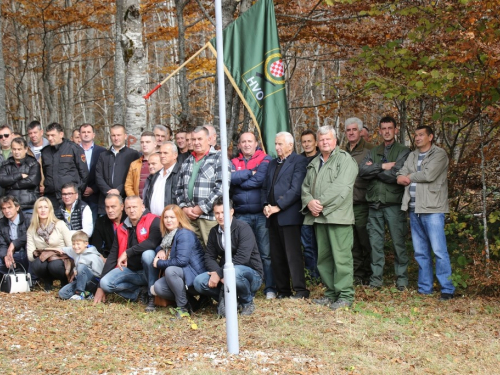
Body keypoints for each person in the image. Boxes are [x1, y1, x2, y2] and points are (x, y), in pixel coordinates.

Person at [302, 126, 358, 310]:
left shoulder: (345, 160)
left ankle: (345, 296)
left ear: (335, 141)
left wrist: (320, 205)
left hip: (338, 218)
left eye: (328, 139)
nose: (325, 142)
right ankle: (331, 293)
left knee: (341, 258)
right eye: (322, 139)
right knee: (324, 259)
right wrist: (310, 202)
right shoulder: (314, 163)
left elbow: (342, 187)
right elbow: (305, 187)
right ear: (317, 143)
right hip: (319, 218)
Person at [397, 126, 455, 300]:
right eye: (415, 135)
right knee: (420, 251)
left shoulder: (439, 154)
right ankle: (425, 288)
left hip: (433, 209)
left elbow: (429, 175)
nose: (417, 138)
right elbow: (401, 172)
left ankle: (447, 289)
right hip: (414, 208)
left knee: (439, 250)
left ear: (430, 136)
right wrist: (401, 176)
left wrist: (409, 176)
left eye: (421, 135)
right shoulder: (413, 155)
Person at [358, 116, 410, 290]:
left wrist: (376, 169)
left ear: (395, 130)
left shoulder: (404, 151)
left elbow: (398, 174)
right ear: (379, 131)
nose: (387, 131)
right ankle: (376, 280)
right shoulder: (373, 151)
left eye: (390, 128)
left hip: (393, 204)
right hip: (374, 205)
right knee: (375, 244)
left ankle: (401, 279)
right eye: (383, 128)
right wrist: (383, 166)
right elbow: (362, 171)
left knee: (398, 243)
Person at [194, 198, 263, 316]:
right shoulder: (214, 231)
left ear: (231, 212)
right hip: (226, 275)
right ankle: (232, 300)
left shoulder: (243, 228)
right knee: (199, 282)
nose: (220, 216)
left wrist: (220, 273)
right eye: (217, 213)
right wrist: (217, 274)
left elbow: (243, 258)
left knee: (234, 273)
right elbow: (209, 256)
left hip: (251, 275)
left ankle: (247, 302)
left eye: (224, 212)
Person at [262, 132, 309, 299]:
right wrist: (265, 206)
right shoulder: (273, 163)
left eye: (280, 144)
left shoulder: (299, 161)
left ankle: (300, 290)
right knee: (276, 255)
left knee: (292, 255)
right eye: (276, 144)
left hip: (289, 216)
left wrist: (278, 206)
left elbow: (296, 190)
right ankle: (283, 290)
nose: (276, 147)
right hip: (272, 217)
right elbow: (266, 187)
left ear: (290, 145)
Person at [93, 196, 161, 312]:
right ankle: (138, 292)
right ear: (124, 209)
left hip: (150, 271)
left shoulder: (154, 220)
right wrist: (100, 287)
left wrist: (128, 252)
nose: (132, 210)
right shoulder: (121, 228)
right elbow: (113, 256)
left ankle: (151, 296)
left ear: (142, 207)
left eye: (135, 207)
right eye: (129, 207)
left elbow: (152, 243)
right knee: (105, 283)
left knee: (148, 254)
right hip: (131, 271)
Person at [231, 132, 276, 299]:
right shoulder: (233, 161)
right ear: (239, 145)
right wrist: (251, 173)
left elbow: (261, 181)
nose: (247, 144)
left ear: (256, 143)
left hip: (260, 214)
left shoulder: (265, 159)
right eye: (243, 141)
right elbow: (229, 179)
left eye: (250, 141)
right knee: (244, 252)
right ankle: (247, 286)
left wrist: (240, 179)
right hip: (241, 215)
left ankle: (270, 287)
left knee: (265, 253)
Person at [176, 126, 229, 246]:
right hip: (189, 218)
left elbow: (222, 188)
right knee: (194, 252)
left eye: (200, 139)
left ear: (209, 139)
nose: (196, 142)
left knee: (213, 252)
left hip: (209, 217)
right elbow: (178, 189)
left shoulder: (219, 158)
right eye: (193, 139)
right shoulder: (187, 161)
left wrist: (202, 208)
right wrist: (184, 208)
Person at [152, 205, 206, 318]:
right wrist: (161, 250)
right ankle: (191, 303)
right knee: (159, 287)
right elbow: (162, 246)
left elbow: (181, 261)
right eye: (166, 217)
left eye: (172, 217)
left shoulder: (184, 234)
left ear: (179, 218)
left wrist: (159, 263)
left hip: (195, 274)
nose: (168, 220)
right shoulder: (169, 234)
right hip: (184, 273)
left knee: (171, 271)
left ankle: (182, 307)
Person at [344, 117, 374, 285]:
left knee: (366, 239)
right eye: (348, 130)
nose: (351, 133)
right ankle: (357, 275)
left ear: (361, 131)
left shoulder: (371, 150)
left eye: (354, 130)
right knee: (352, 242)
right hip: (346, 204)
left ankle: (371, 274)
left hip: (363, 202)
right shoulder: (342, 151)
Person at [40, 122, 89, 211]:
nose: (50, 138)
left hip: (70, 197)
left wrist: (76, 191)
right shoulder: (45, 152)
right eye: (48, 135)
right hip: (52, 197)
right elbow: (45, 173)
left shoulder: (73, 149)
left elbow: (84, 174)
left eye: (53, 135)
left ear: (61, 134)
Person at [27, 197, 73, 290]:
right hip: (43, 258)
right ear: (36, 210)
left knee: (54, 265)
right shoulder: (31, 229)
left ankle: (64, 280)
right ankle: (47, 281)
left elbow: (71, 247)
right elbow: (30, 256)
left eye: (46, 207)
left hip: (60, 258)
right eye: (40, 207)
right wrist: (50, 250)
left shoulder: (60, 224)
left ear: (50, 209)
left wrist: (53, 252)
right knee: (37, 264)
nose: (43, 210)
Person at [95, 124, 140, 216]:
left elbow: (133, 178)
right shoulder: (103, 155)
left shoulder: (133, 155)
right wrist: (108, 191)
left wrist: (119, 190)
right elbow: (98, 175)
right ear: (110, 136)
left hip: (125, 201)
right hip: (105, 202)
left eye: (119, 135)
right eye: (113, 135)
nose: (116, 138)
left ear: (125, 136)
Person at [299, 129, 321, 282]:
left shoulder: (322, 158)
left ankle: (324, 275)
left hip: (321, 208)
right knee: (308, 245)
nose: (307, 144)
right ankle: (312, 275)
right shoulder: (298, 160)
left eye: (309, 141)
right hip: (303, 209)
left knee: (322, 244)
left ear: (316, 142)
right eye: (304, 141)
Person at [58, 231, 104, 300]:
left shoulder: (94, 256)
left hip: (92, 283)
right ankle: (87, 294)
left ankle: (79, 293)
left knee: (81, 266)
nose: (76, 246)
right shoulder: (75, 251)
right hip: (79, 281)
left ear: (86, 244)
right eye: (73, 244)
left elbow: (100, 274)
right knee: (62, 293)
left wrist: (80, 271)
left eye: (78, 244)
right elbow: (61, 249)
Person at [0, 137, 41, 212]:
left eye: (19, 149)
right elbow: (2, 180)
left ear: (25, 149)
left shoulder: (33, 163)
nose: (16, 152)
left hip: (30, 205)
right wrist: (19, 175)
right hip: (11, 206)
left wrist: (10, 185)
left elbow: (32, 182)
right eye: (14, 149)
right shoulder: (6, 164)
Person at [79, 123, 106, 224]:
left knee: (93, 225)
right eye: (83, 132)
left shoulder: (102, 152)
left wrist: (93, 189)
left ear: (93, 135)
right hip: (78, 195)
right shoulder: (74, 150)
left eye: (88, 132)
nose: (86, 134)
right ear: (80, 134)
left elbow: (104, 173)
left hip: (95, 195)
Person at [145, 142, 180, 216]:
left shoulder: (181, 173)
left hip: (172, 219)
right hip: (153, 220)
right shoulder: (156, 175)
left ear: (175, 155)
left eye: (165, 153)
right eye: (160, 153)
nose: (162, 156)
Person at [0, 196, 31, 275]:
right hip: (11, 254)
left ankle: (30, 277)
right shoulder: (1, 223)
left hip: (25, 252)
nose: (7, 211)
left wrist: (14, 243)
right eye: (4, 208)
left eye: (9, 207)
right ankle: (16, 274)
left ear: (17, 207)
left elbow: (32, 235)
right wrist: (5, 256)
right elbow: (2, 244)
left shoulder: (28, 218)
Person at [90, 194, 126, 259]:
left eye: (113, 207)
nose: (110, 210)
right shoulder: (100, 222)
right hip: (107, 259)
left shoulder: (129, 219)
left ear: (122, 207)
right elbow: (97, 246)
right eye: (107, 207)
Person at [125, 131, 157, 197]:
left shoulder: (161, 162)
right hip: (138, 203)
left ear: (155, 144)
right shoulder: (134, 164)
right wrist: (135, 201)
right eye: (142, 142)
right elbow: (128, 185)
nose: (144, 144)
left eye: (147, 142)